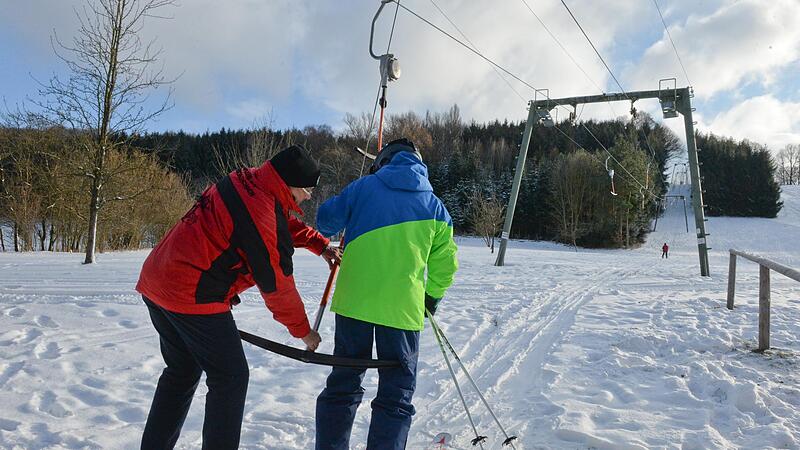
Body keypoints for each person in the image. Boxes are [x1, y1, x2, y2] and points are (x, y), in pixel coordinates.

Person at [136, 145, 341, 450]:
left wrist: (320, 244)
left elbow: (279, 222)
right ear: (289, 184)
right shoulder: (260, 210)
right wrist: (303, 331)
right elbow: (276, 284)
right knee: (231, 378)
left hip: (158, 279)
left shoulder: (247, 181)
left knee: (181, 372)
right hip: (191, 294)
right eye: (307, 190)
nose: (310, 197)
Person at [314, 138, 458, 449]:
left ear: (384, 162)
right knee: (396, 397)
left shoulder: (363, 188)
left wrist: (354, 196)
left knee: (342, 387)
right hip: (403, 313)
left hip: (354, 306)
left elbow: (325, 221)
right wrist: (429, 299)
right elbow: (446, 265)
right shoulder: (435, 207)